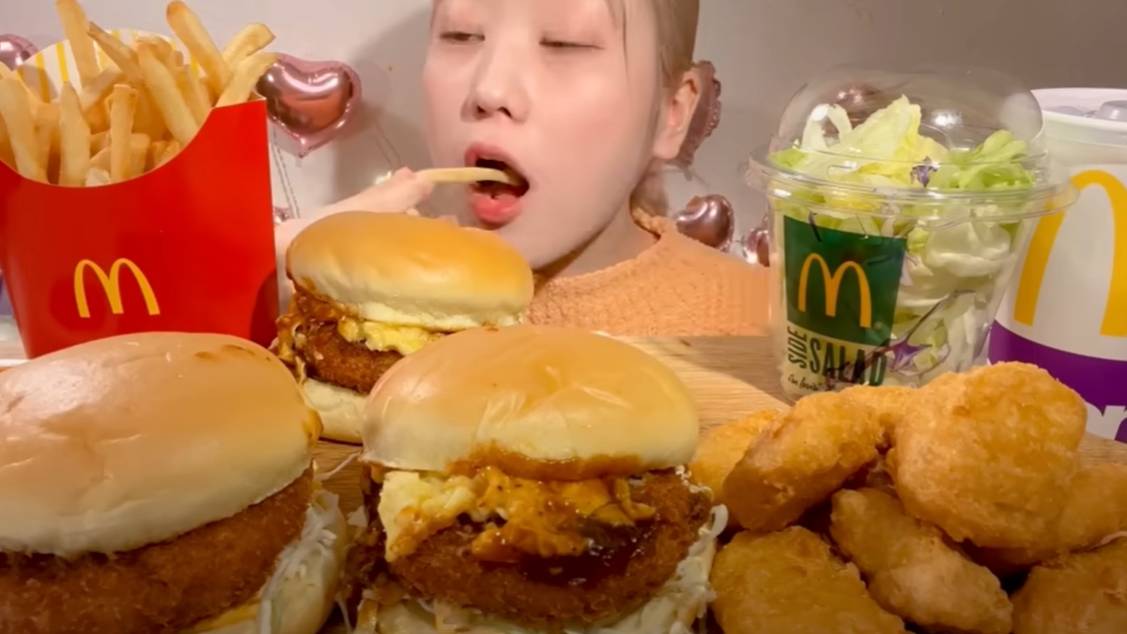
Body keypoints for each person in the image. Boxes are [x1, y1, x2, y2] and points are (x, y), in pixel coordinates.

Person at [278, 0, 768, 336]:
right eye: (462, 34)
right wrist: (259, 295)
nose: (490, 90)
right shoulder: (345, 311)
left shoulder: (766, 325)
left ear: (672, 113)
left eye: (565, 43)